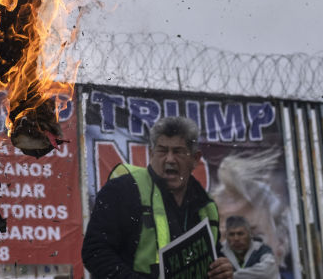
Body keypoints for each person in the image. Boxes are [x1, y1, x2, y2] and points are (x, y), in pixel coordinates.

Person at [82, 116, 234, 279]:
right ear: (151, 153)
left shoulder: (207, 206)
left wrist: (222, 268)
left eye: (178, 151)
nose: (169, 159)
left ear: (195, 159)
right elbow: (95, 251)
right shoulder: (122, 190)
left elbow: (212, 256)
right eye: (162, 150)